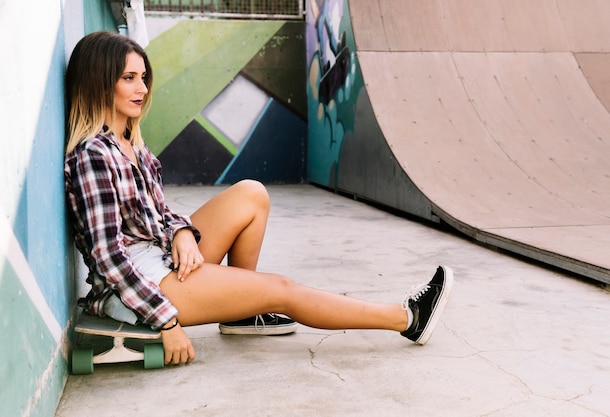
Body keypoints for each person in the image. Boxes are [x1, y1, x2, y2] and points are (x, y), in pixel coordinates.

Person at [64, 31, 454, 366]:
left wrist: (182, 232)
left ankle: (240, 313)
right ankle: (406, 318)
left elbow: (159, 213)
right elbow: (108, 257)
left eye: (143, 77)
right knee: (282, 290)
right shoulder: (93, 156)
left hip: (161, 257)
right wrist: (166, 321)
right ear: (99, 82)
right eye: (129, 78)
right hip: (140, 286)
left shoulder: (131, 145)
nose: (143, 88)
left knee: (251, 194)